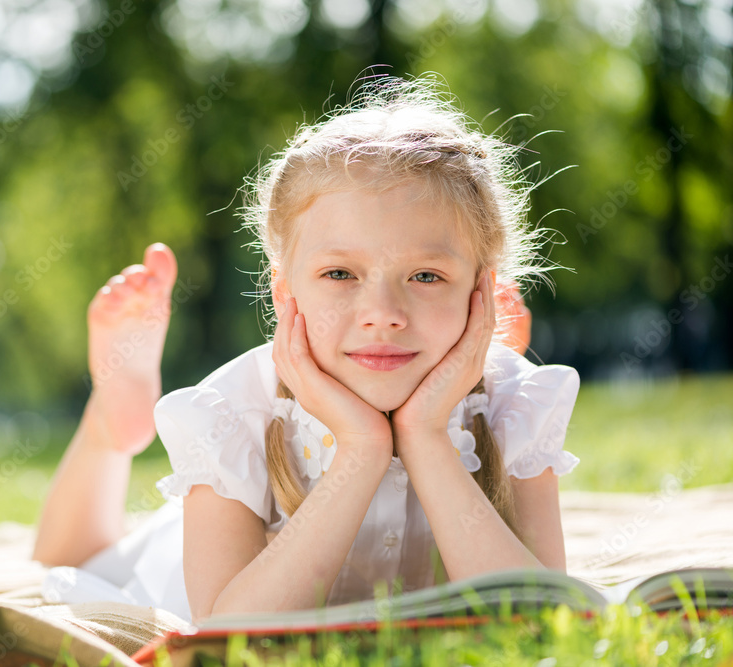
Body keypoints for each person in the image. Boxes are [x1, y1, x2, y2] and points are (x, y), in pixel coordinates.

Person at [36, 76, 577, 625]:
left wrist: (428, 437)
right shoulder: (233, 414)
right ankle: (109, 425)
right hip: (186, 566)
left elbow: (539, 618)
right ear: (284, 293)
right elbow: (228, 634)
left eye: (426, 275)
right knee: (76, 565)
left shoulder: (514, 405)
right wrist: (361, 449)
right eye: (340, 273)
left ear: (481, 294)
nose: (383, 311)